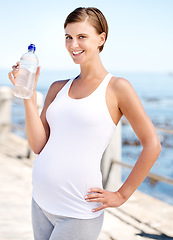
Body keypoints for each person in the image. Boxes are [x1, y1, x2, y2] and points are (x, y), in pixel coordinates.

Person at [8, 7, 161, 240]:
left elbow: (152, 144)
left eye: (81, 37)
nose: (73, 45)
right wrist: (27, 96)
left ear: (101, 39)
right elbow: (39, 145)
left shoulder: (118, 88)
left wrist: (121, 195)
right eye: (68, 37)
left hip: (77, 211)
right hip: (40, 201)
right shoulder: (57, 88)